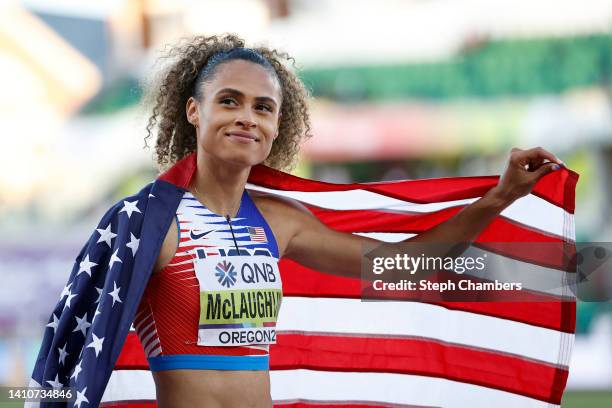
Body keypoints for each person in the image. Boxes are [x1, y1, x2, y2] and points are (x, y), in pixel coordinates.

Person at [31, 34, 565, 408]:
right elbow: (67, 347)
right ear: (194, 112)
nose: (247, 116)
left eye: (264, 107)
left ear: (277, 125)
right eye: (230, 101)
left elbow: (402, 268)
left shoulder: (280, 223)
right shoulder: (147, 220)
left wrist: (496, 199)